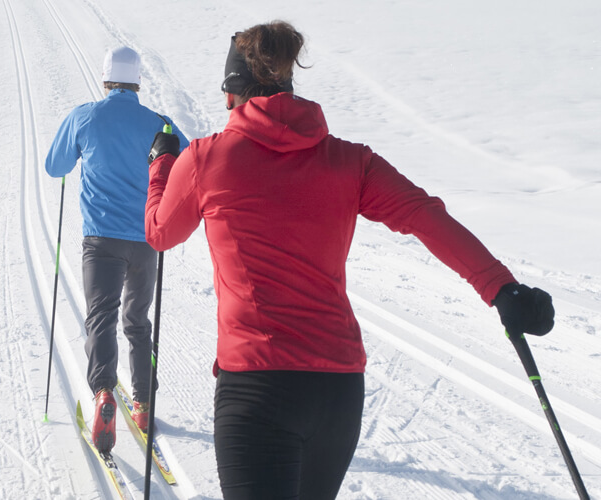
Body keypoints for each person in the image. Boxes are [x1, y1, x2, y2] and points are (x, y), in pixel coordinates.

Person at [144, 21, 555, 499]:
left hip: (257, 388)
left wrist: (161, 166)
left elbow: (159, 233)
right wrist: (501, 288)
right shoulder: (349, 160)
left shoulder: (205, 159)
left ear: (233, 94)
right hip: (337, 392)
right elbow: (424, 215)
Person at [45, 46, 189, 453]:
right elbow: (192, 161)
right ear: (138, 81)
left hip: (101, 239)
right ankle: (143, 402)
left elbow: (54, 167)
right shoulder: (160, 123)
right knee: (137, 321)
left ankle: (104, 393)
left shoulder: (85, 116)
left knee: (101, 318)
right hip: (146, 238)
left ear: (106, 78)